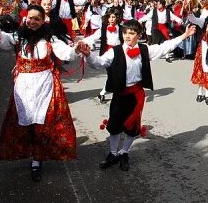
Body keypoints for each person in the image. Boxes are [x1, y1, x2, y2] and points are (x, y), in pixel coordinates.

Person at [80, 20, 196, 171]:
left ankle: (124, 152)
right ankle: (113, 153)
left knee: (133, 128)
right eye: (125, 33)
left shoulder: (144, 50)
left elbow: (164, 47)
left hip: (136, 95)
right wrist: (88, 54)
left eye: (132, 33)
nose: (127, 36)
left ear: (139, 35)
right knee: (114, 126)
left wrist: (185, 35)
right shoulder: (114, 51)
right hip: (120, 94)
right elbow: (99, 63)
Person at [0, 5, 81, 182]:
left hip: (44, 86)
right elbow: (1, 40)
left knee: (42, 122)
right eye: (30, 18)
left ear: (43, 20)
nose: (32, 21)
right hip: (23, 87)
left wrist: (76, 49)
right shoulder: (18, 37)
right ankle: (30, 155)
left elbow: (65, 51)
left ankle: (37, 160)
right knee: (24, 123)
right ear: (25, 18)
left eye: (37, 18)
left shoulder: (50, 39)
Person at [81, 8, 124, 103]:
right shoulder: (103, 28)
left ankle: (103, 93)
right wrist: (82, 42)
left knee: (117, 74)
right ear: (107, 18)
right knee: (112, 74)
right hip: (107, 53)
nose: (112, 19)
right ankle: (104, 93)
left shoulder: (121, 28)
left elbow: (126, 40)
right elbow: (93, 37)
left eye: (114, 17)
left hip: (118, 53)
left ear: (117, 18)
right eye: (110, 17)